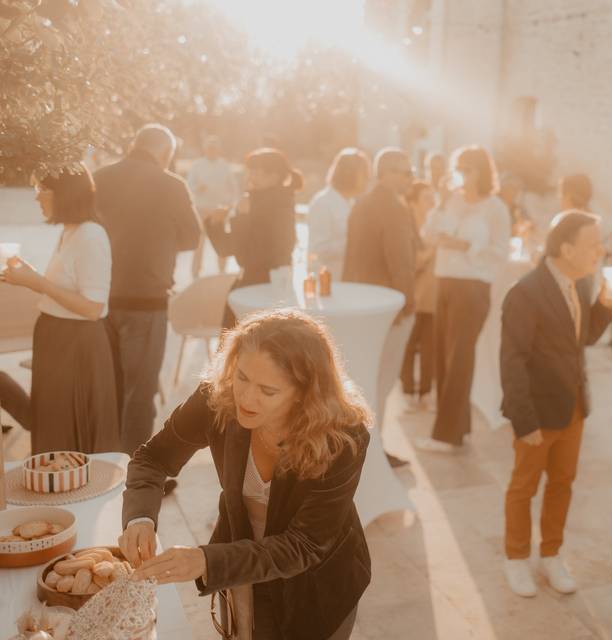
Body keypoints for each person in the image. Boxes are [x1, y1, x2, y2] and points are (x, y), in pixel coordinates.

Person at [118, 310, 371, 640]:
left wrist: (207, 562)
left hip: (316, 582)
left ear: (306, 392)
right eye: (242, 377)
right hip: (240, 559)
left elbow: (304, 546)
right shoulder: (217, 398)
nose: (246, 398)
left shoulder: (344, 438)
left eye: (268, 391)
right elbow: (153, 458)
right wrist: (140, 519)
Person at [500, 210, 612, 597]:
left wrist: (606, 303)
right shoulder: (525, 292)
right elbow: (512, 360)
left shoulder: (582, 285)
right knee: (524, 486)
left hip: (573, 408)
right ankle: (516, 559)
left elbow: (582, 339)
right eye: (593, 245)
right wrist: (524, 419)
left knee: (563, 484)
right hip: (536, 411)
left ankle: (551, 554)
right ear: (566, 248)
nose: (600, 252)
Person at [95, 124, 201, 455]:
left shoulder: (99, 178)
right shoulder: (172, 185)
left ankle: (105, 463)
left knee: (108, 389)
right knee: (140, 393)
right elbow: (192, 238)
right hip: (147, 300)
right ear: (166, 154)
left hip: (101, 298)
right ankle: (135, 467)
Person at [1, 166, 120, 454]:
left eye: (42, 190)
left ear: (64, 194)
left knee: (64, 430)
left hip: (76, 344)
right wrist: (31, 277)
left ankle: (69, 490)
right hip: (57, 339)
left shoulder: (91, 235)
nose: (37, 197)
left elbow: (93, 308)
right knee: (51, 423)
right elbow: (65, 288)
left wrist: (37, 282)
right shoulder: (71, 231)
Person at [415, 146, 512, 452]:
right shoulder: (451, 201)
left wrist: (464, 246)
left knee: (459, 357)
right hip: (444, 281)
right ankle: (459, 427)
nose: (462, 175)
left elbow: (500, 251)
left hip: (473, 288)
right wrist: (441, 203)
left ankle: (445, 435)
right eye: (459, 168)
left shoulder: (495, 207)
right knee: (444, 354)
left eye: (468, 168)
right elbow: (428, 235)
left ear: (482, 171)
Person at [342, 148, 417, 468]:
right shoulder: (394, 208)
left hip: (359, 302)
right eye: (405, 171)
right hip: (388, 308)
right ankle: (372, 453)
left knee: (363, 381)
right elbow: (401, 263)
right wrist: (407, 304)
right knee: (381, 383)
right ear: (385, 172)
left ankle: (362, 449)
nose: (410, 178)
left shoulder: (361, 202)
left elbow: (350, 256)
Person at [206, 148, 301, 327]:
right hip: (250, 283)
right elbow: (226, 249)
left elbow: (252, 256)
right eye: (250, 171)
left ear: (274, 176)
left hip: (267, 288)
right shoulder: (252, 200)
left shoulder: (280, 205)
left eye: (257, 172)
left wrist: (242, 218)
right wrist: (216, 224)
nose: (251, 177)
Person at [400, 180, 438, 411]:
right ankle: (407, 391)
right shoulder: (407, 227)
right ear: (413, 201)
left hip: (432, 294)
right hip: (414, 293)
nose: (432, 203)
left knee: (429, 345)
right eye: (427, 198)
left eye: (433, 198)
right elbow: (412, 262)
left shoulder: (434, 225)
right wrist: (434, 247)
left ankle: (425, 393)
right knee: (409, 343)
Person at [307, 148, 371, 280]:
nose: (368, 179)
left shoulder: (352, 203)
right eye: (364, 174)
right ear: (349, 174)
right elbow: (318, 250)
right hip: (330, 283)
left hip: (351, 281)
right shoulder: (322, 203)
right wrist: (355, 242)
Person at [187, 135, 238, 278]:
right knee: (198, 244)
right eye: (209, 148)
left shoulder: (224, 166)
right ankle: (195, 274)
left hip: (219, 211)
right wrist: (198, 188)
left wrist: (229, 205)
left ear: (219, 150)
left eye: (214, 148)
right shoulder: (197, 165)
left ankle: (222, 273)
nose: (212, 151)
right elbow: (189, 185)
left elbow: (233, 187)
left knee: (221, 243)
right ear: (205, 149)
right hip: (201, 209)